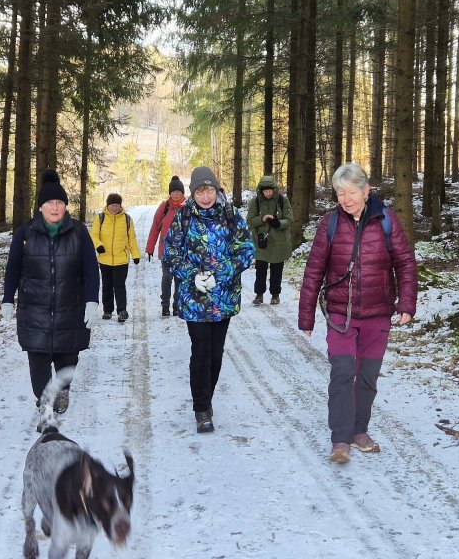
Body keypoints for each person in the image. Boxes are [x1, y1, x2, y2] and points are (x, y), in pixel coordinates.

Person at [298, 162, 417, 464]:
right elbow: (314, 270)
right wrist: (306, 315)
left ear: (367, 191)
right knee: (342, 372)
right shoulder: (330, 223)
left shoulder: (387, 220)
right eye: (340, 193)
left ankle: (359, 430)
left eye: (351, 192)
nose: (346, 199)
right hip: (341, 314)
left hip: (377, 314)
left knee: (367, 376)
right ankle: (340, 439)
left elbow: (405, 263)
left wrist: (407, 303)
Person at [163, 167, 255, 433]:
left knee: (215, 354)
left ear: (217, 190)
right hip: (194, 299)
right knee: (200, 352)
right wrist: (192, 276)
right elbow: (171, 252)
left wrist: (221, 273)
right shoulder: (183, 217)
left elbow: (246, 250)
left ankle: (207, 399)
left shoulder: (231, 215)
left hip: (223, 298)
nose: (206, 196)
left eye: (210, 190)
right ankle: (201, 408)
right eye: (201, 191)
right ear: (193, 192)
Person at [1, 169, 100, 414]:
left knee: (68, 358)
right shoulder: (25, 232)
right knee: (38, 362)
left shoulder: (78, 232)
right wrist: (7, 300)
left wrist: (91, 301)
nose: (55, 208)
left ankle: (62, 391)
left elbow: (90, 268)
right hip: (34, 309)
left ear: (65, 207)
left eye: (59, 203)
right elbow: (13, 266)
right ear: (40, 207)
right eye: (49, 203)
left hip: (71, 308)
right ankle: (44, 399)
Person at [90, 193, 142, 323]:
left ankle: (122, 311)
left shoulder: (127, 219)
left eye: (117, 205)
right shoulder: (100, 218)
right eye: (112, 205)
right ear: (108, 205)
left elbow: (132, 239)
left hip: (121, 259)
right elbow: (94, 235)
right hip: (104, 259)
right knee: (107, 285)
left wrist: (135, 254)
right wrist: (99, 245)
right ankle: (107, 311)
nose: (114, 208)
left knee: (119, 285)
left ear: (120, 206)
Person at [246, 174, 294, 305]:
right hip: (262, 242)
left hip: (279, 242)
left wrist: (278, 223)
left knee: (277, 270)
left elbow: (289, 219)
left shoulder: (282, 201)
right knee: (260, 270)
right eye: (265, 191)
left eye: (270, 190)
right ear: (261, 191)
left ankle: (275, 294)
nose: (268, 193)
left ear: (274, 190)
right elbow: (249, 221)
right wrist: (262, 219)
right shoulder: (255, 202)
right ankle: (259, 294)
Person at [145, 175, 187, 317]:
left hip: (182, 251)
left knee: (179, 278)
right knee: (167, 277)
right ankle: (165, 306)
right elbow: (155, 228)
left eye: (178, 192)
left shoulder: (188, 207)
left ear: (182, 193)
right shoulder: (164, 207)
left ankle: (177, 305)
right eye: (173, 192)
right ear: (170, 193)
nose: (176, 194)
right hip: (166, 251)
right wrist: (150, 248)